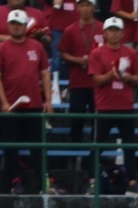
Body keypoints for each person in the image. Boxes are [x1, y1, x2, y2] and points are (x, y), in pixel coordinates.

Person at [0, 8, 52, 194]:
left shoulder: (36, 47)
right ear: (9, 25)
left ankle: (44, 183)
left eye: (19, 24)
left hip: (33, 104)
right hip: (12, 106)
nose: (16, 27)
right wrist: (3, 101)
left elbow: (45, 74)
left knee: (38, 146)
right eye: (13, 24)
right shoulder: (1, 48)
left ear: (26, 26)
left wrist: (47, 100)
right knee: (10, 145)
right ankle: (15, 180)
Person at [88, 16, 138, 193]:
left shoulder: (130, 53)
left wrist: (127, 77)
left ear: (122, 33)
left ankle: (132, 181)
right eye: (111, 30)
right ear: (104, 33)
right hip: (104, 106)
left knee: (130, 146)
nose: (114, 33)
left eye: (117, 30)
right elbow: (96, 79)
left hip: (126, 106)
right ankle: (92, 180)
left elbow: (137, 78)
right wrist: (110, 75)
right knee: (97, 145)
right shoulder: (97, 53)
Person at [58, 0, 101, 160]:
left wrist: (94, 61)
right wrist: (78, 60)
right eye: (82, 5)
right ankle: (74, 152)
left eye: (88, 5)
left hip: (98, 82)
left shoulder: (103, 28)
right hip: (77, 82)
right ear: (77, 8)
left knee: (97, 119)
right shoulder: (71, 30)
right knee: (77, 119)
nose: (85, 9)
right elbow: (63, 53)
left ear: (94, 7)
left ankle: (96, 151)